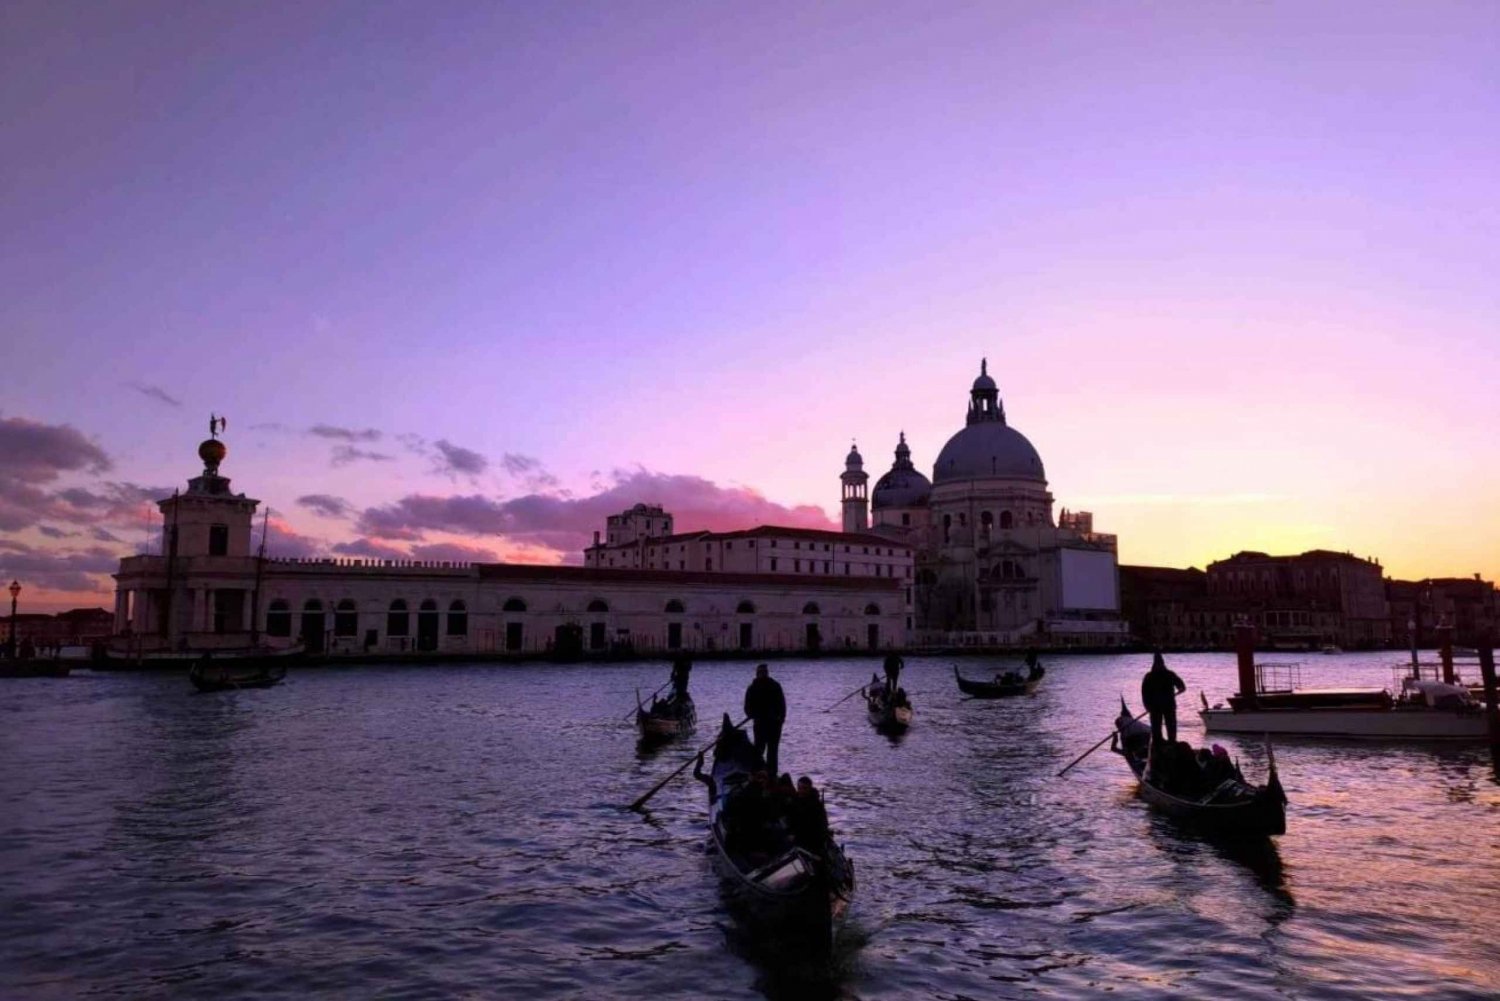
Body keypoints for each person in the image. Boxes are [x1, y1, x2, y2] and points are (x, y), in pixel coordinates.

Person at [743, 663, 786, 776]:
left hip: (773, 724)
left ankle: (771, 773)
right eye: (760, 672)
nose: (762, 674)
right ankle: (760, 772)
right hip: (761, 723)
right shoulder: (752, 688)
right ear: (757, 674)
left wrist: (781, 719)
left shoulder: (775, 686)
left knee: (771, 750)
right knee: (760, 749)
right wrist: (752, 714)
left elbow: (782, 705)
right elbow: (747, 707)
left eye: (764, 672)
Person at [1141, 651, 1187, 747]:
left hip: (1158, 707)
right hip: (1162, 706)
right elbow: (1182, 687)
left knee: (1161, 729)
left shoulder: (1149, 676)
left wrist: (1147, 707)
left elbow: (1144, 694)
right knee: (1166, 728)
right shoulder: (1169, 674)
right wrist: (1180, 689)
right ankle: (1168, 745)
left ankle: (1163, 745)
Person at [789, 776, 830, 851]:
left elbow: (821, 825)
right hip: (797, 836)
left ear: (810, 789)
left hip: (812, 839)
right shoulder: (795, 801)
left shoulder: (816, 805)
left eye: (804, 788)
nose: (802, 791)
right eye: (799, 788)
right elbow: (792, 819)